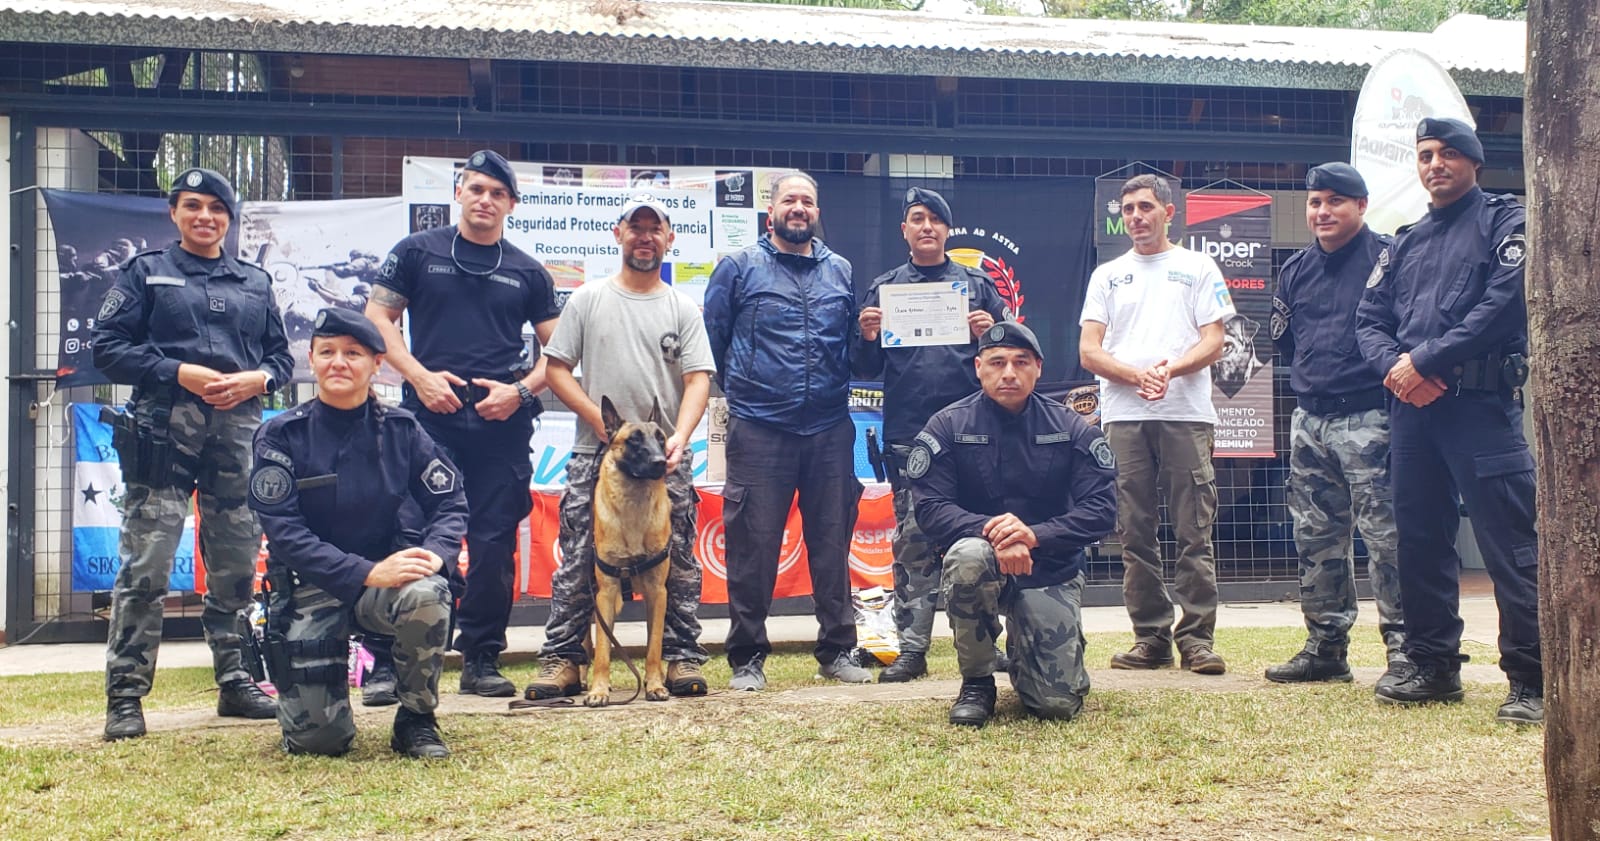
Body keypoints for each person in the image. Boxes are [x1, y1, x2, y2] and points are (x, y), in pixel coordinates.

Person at [93, 167, 293, 741]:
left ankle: (235, 679)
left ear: (229, 219)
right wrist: (178, 370)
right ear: (174, 213)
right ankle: (126, 696)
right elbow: (107, 348)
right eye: (192, 206)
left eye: (216, 209)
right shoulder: (144, 273)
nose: (205, 217)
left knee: (233, 563)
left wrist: (258, 379)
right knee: (147, 564)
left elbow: (280, 358)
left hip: (238, 434)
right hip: (163, 433)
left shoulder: (255, 282)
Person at [1356, 118, 1542, 724]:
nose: (1435, 164)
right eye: (1425, 155)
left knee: (1511, 543)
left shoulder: (1504, 222)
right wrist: (1398, 369)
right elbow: (1369, 318)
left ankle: (1534, 678)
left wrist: (1426, 361)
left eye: (1448, 154)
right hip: (1413, 411)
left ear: (1474, 162)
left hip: (1480, 408)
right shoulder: (1404, 241)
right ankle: (1433, 666)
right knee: (1420, 540)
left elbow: (1505, 302)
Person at [365, 150, 562, 697]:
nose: (485, 200)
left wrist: (521, 391)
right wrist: (419, 376)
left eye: (498, 193)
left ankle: (480, 659)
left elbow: (562, 351)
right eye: (476, 189)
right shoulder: (415, 253)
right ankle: (387, 662)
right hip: (426, 421)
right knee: (406, 532)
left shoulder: (527, 270)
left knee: (495, 542)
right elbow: (378, 318)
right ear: (459, 194)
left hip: (500, 425)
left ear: (512, 205)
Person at [248, 308, 467, 757]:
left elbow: (449, 502)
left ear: (376, 365)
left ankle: (416, 719)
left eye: (353, 353)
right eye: (327, 352)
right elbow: (286, 534)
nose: (339, 363)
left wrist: (436, 553)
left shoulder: (404, 431)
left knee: (428, 593)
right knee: (320, 743)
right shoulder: (281, 435)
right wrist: (367, 571)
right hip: (309, 587)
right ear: (311, 359)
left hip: (383, 587)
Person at [524, 195, 714, 700]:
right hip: (596, 453)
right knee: (578, 560)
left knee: (678, 562)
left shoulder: (682, 308)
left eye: (656, 228)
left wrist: (679, 437)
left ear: (670, 239)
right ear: (618, 234)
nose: (645, 237)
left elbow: (698, 380)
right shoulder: (588, 300)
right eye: (636, 227)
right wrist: (598, 423)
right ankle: (564, 659)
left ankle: (678, 658)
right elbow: (557, 368)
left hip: (663, 456)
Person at [703, 170, 868, 690]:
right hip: (759, 428)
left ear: (818, 212)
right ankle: (747, 657)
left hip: (828, 428)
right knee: (751, 545)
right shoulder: (738, 267)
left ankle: (838, 650)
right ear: (770, 210)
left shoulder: (840, 271)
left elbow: (856, 353)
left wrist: (869, 335)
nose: (799, 208)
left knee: (832, 541)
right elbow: (712, 342)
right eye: (790, 200)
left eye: (808, 202)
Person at [908, 321, 1118, 727]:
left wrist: (1035, 535)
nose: (1009, 373)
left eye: (1021, 362)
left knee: (1055, 706)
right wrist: (999, 532)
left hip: (1048, 567)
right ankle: (977, 682)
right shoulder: (948, 425)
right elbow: (931, 508)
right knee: (969, 556)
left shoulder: (1071, 426)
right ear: (978, 367)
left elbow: (1102, 510)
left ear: (1038, 368)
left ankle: (1031, 657)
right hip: (981, 558)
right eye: (998, 362)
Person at [1078, 173, 1234, 675]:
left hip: (1186, 413)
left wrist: (1170, 370)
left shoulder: (1197, 266)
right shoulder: (1107, 275)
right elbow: (1088, 350)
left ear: (1170, 212)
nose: (1136, 217)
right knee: (1134, 532)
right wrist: (1135, 375)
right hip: (1125, 416)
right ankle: (1150, 639)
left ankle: (1197, 640)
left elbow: (1215, 340)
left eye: (1146, 206)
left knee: (1194, 530)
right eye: (1127, 209)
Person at [853, 187, 1010, 683]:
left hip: (974, 434)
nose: (926, 227)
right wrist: (867, 336)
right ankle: (913, 648)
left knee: (982, 537)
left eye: (935, 221)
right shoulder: (884, 289)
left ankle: (987, 642)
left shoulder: (977, 286)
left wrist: (994, 329)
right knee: (914, 542)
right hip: (909, 436)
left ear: (947, 230)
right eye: (916, 219)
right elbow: (862, 368)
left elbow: (1010, 359)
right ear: (904, 229)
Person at [1266, 163, 1410, 690]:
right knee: (1316, 537)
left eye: (1335, 202)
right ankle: (1326, 648)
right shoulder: (1296, 269)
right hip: (1310, 420)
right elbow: (1285, 339)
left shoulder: (1390, 259)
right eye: (1314, 203)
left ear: (1362, 205)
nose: (1322, 212)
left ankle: (1405, 649)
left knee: (1387, 538)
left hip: (1373, 414)